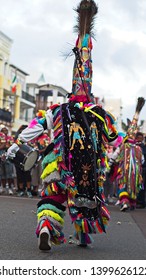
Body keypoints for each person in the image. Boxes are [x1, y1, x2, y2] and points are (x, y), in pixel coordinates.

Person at [7, 0, 122, 250]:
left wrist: (18, 143)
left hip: (59, 164)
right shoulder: (101, 114)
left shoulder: (58, 111)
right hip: (87, 170)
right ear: (90, 90)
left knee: (53, 197)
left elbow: (37, 127)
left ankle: (47, 227)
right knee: (84, 200)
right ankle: (82, 236)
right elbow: (115, 139)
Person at [108, 97, 145, 211]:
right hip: (136, 172)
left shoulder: (123, 146)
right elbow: (143, 160)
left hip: (124, 171)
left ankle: (125, 202)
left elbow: (114, 156)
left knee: (122, 185)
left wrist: (109, 164)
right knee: (133, 186)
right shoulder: (138, 148)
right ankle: (131, 203)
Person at [0, 126, 15, 195]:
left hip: (8, 157)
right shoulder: (1, 136)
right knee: (2, 173)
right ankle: (2, 188)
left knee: (9, 174)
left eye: (5, 130)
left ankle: (9, 188)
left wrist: (6, 146)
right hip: (1, 156)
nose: (4, 131)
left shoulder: (10, 138)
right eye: (3, 130)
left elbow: (11, 146)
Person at [135, 132, 146, 208]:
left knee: (142, 185)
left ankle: (141, 202)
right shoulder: (133, 146)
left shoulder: (143, 147)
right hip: (134, 168)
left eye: (141, 138)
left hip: (143, 168)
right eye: (138, 138)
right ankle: (135, 201)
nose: (140, 139)